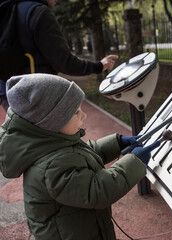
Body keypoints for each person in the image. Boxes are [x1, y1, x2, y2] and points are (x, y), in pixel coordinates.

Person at [0, 73, 160, 240]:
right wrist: (135, 161)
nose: (84, 115)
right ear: (52, 123)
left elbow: (81, 156)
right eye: (76, 112)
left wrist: (117, 143)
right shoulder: (51, 167)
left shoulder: (50, 143)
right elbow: (98, 189)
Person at [0, 0, 118, 111]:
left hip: (7, 92)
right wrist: (99, 66)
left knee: (23, 132)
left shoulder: (8, 8)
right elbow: (65, 63)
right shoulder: (38, 13)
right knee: (64, 129)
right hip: (35, 95)